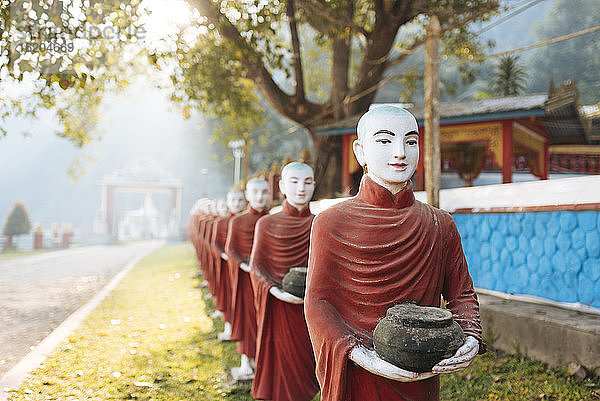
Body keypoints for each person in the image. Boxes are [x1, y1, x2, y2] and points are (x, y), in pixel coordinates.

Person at [305, 105, 485, 401]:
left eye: (410, 141)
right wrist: (362, 354)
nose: (400, 152)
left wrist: (471, 337)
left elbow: (462, 293)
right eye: (385, 141)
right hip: (359, 370)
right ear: (360, 151)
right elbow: (317, 301)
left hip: (421, 368)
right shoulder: (331, 222)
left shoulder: (440, 223)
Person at [249, 162, 320, 401]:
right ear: (281, 186)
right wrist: (276, 292)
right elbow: (257, 267)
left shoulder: (322, 224)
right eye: (294, 182)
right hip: (278, 306)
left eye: (307, 182)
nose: (301, 188)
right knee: (282, 370)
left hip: (313, 311)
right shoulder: (266, 224)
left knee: (310, 368)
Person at [225, 178, 270, 380]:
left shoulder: (272, 220)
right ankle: (245, 358)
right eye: (255, 192)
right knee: (248, 318)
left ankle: (262, 359)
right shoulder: (238, 221)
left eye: (264, 192)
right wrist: (244, 265)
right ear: (248, 196)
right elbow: (231, 250)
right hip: (245, 278)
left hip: (268, 280)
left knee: (265, 320)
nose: (260, 197)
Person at [211, 192, 246, 341]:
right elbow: (215, 244)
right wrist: (227, 257)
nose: (237, 204)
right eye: (233, 200)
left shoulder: (248, 221)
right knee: (229, 297)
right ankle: (229, 328)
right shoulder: (222, 222)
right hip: (227, 267)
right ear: (228, 202)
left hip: (245, 269)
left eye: (240, 200)